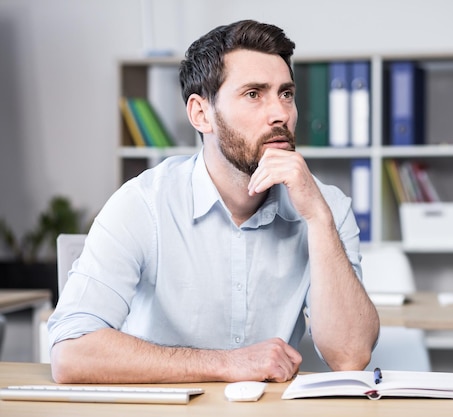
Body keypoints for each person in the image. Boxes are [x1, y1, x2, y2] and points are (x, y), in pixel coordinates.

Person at [48, 19, 380, 384]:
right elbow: (71, 352)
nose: (281, 114)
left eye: (286, 94)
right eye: (254, 94)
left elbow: (350, 356)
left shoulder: (326, 206)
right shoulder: (142, 204)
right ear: (201, 114)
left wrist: (318, 218)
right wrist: (227, 364)